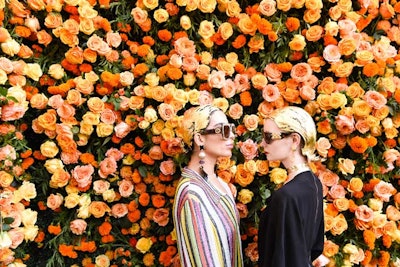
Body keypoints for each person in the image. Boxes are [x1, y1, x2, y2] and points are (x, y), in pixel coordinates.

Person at [173, 104, 243, 267]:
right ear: (199, 138)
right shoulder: (192, 193)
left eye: (231, 129)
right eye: (223, 130)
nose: (231, 135)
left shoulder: (221, 185)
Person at [258, 106, 324, 267]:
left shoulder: (288, 195)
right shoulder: (313, 183)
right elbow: (315, 247)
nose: (262, 143)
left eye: (268, 137)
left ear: (295, 140)